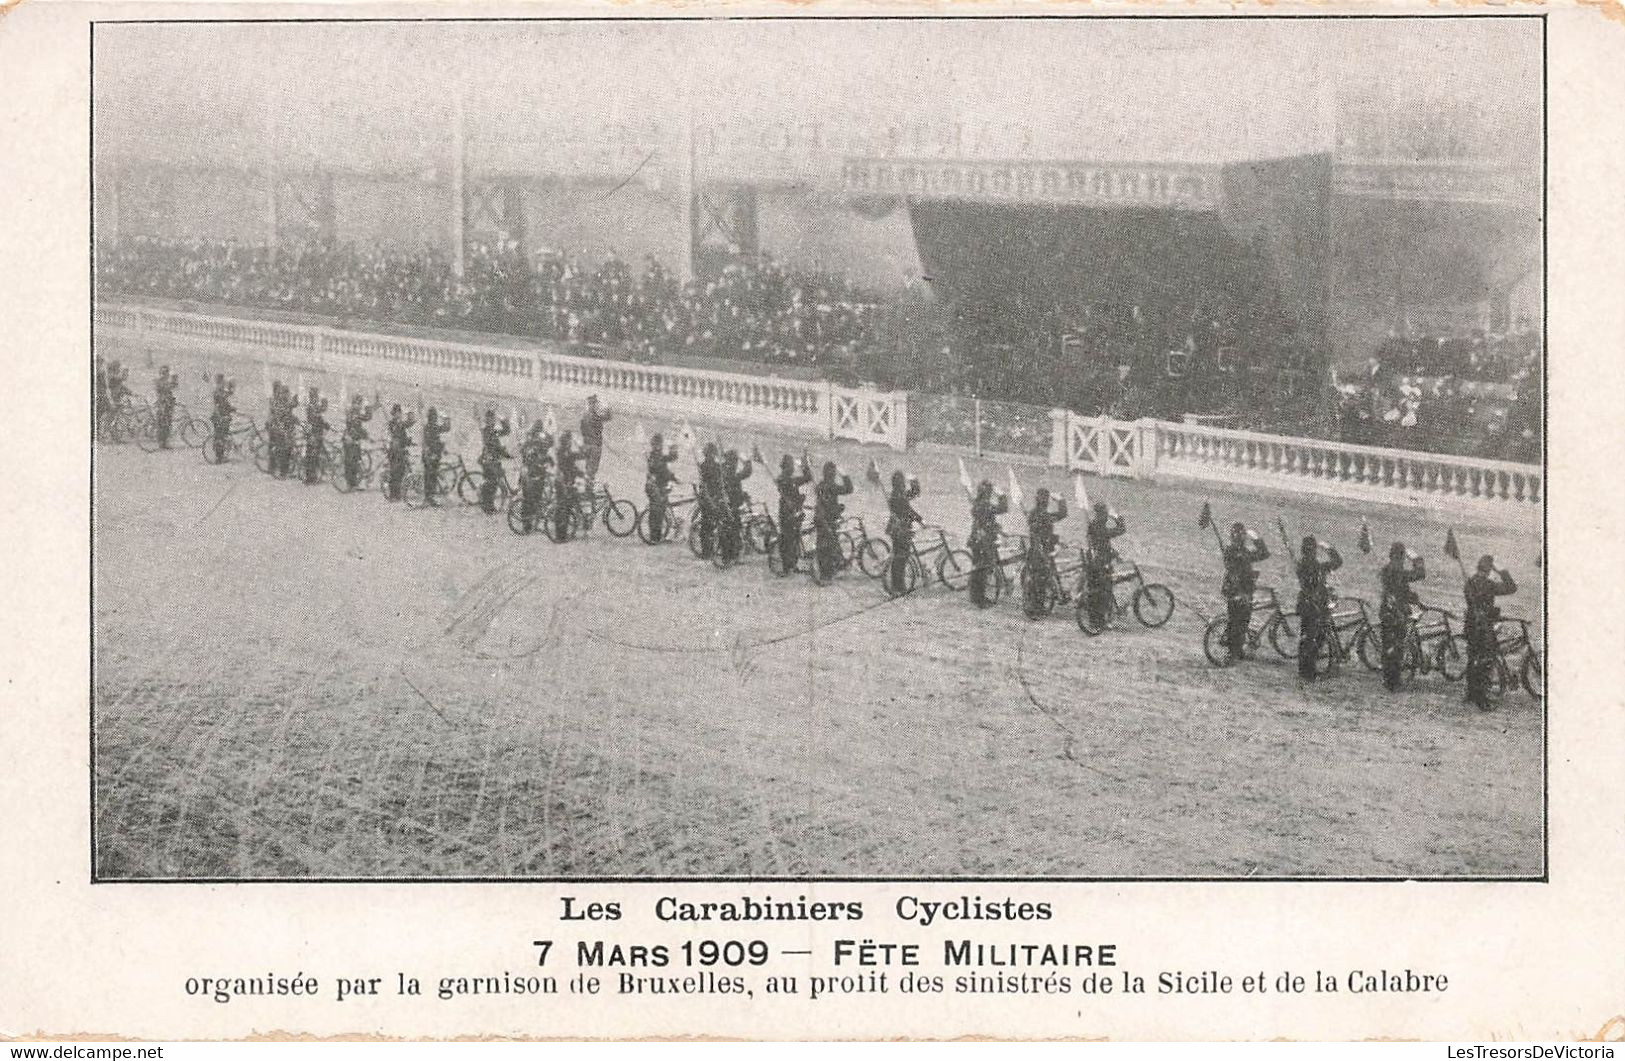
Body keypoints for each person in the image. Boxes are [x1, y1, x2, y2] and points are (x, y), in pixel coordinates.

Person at [1463, 555, 1517, 710]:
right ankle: (1482, 699)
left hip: (1471, 626)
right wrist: (1502, 572)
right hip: (1484, 627)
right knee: (1486, 662)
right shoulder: (1489, 585)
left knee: (1473, 658)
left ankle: (1471, 693)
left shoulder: (1469, 583)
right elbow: (1511, 588)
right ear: (1489, 570)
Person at [1378, 541, 1426, 691]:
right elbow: (1420, 574)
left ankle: (1388, 680)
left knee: (1388, 647)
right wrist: (1417, 560)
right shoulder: (1399, 571)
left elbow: (1400, 590)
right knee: (1397, 648)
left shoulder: (1386, 570)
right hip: (1397, 614)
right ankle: (1394, 682)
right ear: (1401, 557)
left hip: (1386, 612)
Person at [1295, 535, 1343, 680]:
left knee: (1309, 639)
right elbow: (1338, 562)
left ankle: (1306, 669)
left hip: (1308, 605)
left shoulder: (1303, 564)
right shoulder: (1315, 566)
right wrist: (1329, 548)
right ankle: (1308, 673)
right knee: (1313, 640)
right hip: (1315, 606)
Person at [1221, 522, 1270, 661]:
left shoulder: (1236, 551)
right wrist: (1256, 539)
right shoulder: (1238, 552)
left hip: (1239, 591)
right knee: (1238, 623)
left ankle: (1237, 650)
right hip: (1239, 591)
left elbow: (1264, 554)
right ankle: (1232, 653)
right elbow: (1263, 554)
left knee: (1240, 622)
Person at [1083, 501, 1126, 628]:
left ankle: (1095, 621)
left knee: (1095, 593)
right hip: (1101, 565)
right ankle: (1101, 622)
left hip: (1092, 563)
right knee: (1104, 593)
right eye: (1106, 514)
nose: (1107, 517)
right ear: (1102, 514)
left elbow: (1102, 544)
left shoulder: (1092, 525)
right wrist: (1117, 517)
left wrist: (1114, 553)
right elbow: (1121, 529)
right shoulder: (1100, 528)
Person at [967, 480, 1009, 608]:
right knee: (983, 570)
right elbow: (1003, 508)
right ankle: (980, 600)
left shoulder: (977, 503)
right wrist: (1001, 495)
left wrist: (997, 528)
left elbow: (987, 521)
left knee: (977, 569)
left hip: (976, 540)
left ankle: (975, 597)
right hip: (983, 542)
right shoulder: (985, 505)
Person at [1025, 487, 1070, 604]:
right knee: (1047, 573)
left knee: (1051, 571)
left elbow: (1043, 531)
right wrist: (1060, 500)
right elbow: (1062, 514)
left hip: (1038, 549)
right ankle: (1053, 595)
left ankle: (1059, 593)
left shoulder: (1034, 513)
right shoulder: (1043, 515)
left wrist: (1057, 540)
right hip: (1042, 550)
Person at [812, 461, 853, 581]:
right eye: (834, 472)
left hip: (821, 520)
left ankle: (830, 570)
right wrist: (845, 475)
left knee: (826, 547)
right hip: (828, 521)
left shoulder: (821, 485)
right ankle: (826, 575)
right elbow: (849, 489)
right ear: (832, 474)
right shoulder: (832, 486)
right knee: (829, 548)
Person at [886, 471, 924, 594]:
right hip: (901, 530)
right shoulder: (898, 496)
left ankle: (897, 585)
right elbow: (908, 510)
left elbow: (914, 493)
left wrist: (914, 482)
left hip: (896, 530)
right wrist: (920, 519)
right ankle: (898, 586)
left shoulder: (896, 494)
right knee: (900, 559)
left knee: (899, 557)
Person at [773, 454, 812, 572]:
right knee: (789, 540)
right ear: (787, 466)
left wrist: (805, 464)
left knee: (792, 539)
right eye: (791, 465)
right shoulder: (786, 479)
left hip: (789, 512)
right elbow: (806, 478)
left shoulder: (785, 478)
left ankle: (791, 565)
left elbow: (807, 478)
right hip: (789, 514)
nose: (793, 468)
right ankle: (788, 566)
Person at [517, 421, 553, 533]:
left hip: (526, 474)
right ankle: (529, 525)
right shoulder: (537, 442)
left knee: (529, 500)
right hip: (534, 474)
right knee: (534, 500)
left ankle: (528, 525)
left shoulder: (528, 442)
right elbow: (548, 445)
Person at [718, 448, 752, 564]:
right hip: (731, 507)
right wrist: (746, 461)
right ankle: (730, 557)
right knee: (733, 531)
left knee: (729, 531)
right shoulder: (730, 474)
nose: (736, 464)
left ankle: (728, 557)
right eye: (735, 461)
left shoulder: (723, 470)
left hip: (726, 506)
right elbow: (746, 472)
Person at [644, 433, 679, 544]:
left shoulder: (656, 455)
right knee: (657, 513)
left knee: (657, 512)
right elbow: (662, 470)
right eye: (657, 444)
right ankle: (655, 538)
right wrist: (673, 478)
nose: (659, 446)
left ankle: (656, 537)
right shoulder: (655, 456)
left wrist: (673, 451)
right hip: (656, 487)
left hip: (656, 486)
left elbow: (669, 459)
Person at [477, 409, 511, 514]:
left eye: (493, 419)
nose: (492, 421)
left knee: (496, 484)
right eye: (490, 419)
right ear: (487, 420)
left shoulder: (493, 431)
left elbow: (506, 431)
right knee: (491, 485)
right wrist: (505, 453)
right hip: (489, 462)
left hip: (494, 461)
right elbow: (494, 446)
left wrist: (503, 420)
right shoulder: (486, 431)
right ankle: (488, 507)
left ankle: (491, 506)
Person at [695, 443, 723, 560]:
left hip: (704, 498)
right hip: (712, 498)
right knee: (712, 525)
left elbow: (703, 483)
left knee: (705, 525)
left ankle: (706, 551)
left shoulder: (702, 465)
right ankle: (712, 550)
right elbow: (719, 483)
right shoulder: (716, 466)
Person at [553, 430, 583, 539]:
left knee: (565, 508)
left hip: (564, 481)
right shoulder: (564, 451)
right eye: (570, 439)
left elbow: (572, 465)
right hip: (563, 482)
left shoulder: (564, 450)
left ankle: (563, 533)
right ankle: (560, 535)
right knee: (562, 509)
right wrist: (579, 444)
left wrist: (581, 474)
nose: (570, 442)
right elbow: (573, 462)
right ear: (567, 440)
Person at [384, 404, 416, 502]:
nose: (400, 414)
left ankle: (396, 494)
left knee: (397, 473)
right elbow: (400, 434)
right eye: (398, 412)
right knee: (396, 473)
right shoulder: (395, 423)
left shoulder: (395, 423)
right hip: (396, 452)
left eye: (400, 412)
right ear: (395, 413)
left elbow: (404, 428)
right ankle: (394, 495)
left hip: (396, 451)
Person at [579, 395, 612, 487]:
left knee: (589, 468)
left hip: (587, 444)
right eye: (595, 404)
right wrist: (607, 407)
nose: (595, 405)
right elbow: (608, 417)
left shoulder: (585, 415)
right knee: (592, 469)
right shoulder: (594, 416)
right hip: (594, 445)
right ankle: (588, 488)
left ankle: (588, 486)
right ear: (592, 404)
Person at [340, 395, 371, 491]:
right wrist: (365, 435)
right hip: (351, 441)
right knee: (351, 463)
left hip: (351, 440)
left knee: (353, 462)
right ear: (355, 404)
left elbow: (362, 421)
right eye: (359, 404)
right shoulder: (354, 413)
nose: (360, 406)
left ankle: (353, 484)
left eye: (360, 404)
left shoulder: (353, 412)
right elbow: (358, 425)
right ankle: (351, 484)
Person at [422, 407, 450, 506]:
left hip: (431, 455)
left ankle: (429, 498)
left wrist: (446, 419)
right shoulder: (432, 427)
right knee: (431, 477)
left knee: (430, 477)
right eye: (434, 416)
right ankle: (429, 498)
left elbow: (446, 428)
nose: (434, 418)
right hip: (431, 456)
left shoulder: (430, 426)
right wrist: (446, 418)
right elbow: (431, 443)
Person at [301, 387, 329, 485]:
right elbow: (318, 416)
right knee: (313, 456)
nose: (317, 397)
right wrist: (325, 402)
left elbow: (319, 418)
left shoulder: (312, 406)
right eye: (316, 395)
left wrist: (326, 425)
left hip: (313, 434)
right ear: (314, 396)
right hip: (314, 435)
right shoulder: (313, 407)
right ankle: (310, 479)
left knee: (312, 456)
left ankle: (311, 477)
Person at [209, 373, 236, 463]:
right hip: (220, 417)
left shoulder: (219, 390)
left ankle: (220, 455)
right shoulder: (218, 391)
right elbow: (219, 406)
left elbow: (225, 402)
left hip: (221, 417)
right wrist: (222, 416)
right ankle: (219, 457)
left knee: (221, 436)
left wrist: (231, 408)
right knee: (220, 437)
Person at [153, 365, 178, 449]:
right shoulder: (159, 381)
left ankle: (164, 442)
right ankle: (162, 443)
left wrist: (174, 381)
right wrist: (173, 382)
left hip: (168, 405)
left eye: (166, 372)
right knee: (162, 424)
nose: (165, 374)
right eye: (163, 372)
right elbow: (165, 389)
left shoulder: (166, 381)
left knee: (167, 424)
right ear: (160, 373)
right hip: (163, 406)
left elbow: (172, 387)